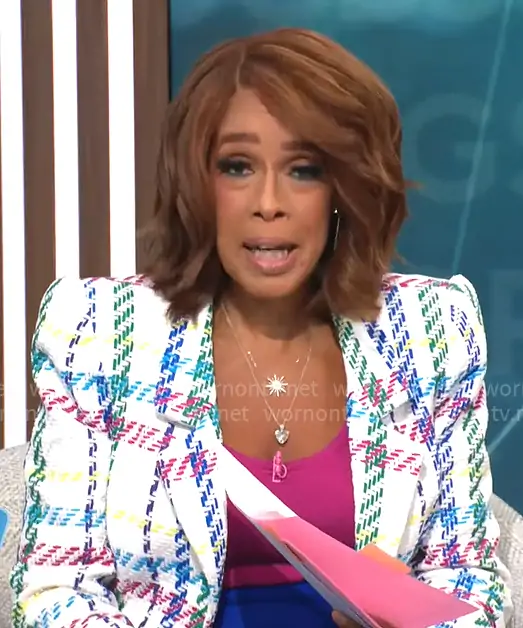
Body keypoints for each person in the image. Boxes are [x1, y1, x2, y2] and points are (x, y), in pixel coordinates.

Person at [10, 27, 511, 628]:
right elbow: (55, 593)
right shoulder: (99, 334)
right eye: (237, 166)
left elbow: (467, 576)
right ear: (198, 185)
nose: (268, 202)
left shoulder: (432, 331)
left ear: (342, 187)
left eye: (303, 169)